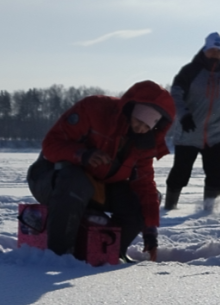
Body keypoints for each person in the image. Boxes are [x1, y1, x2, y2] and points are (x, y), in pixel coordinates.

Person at [27, 80, 175, 261]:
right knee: (76, 181)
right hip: (50, 178)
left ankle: (108, 254)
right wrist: (82, 155)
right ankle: (59, 257)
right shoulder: (94, 108)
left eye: (147, 126)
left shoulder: (144, 142)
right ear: (131, 110)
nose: (140, 128)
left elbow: (145, 184)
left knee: (141, 200)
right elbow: (51, 145)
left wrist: (150, 230)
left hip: (96, 188)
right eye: (138, 121)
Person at [164, 32, 220, 211]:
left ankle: (208, 211)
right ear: (205, 49)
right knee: (180, 174)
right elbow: (176, 94)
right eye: (212, 49)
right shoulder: (190, 71)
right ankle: (169, 208)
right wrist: (184, 115)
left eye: (218, 51)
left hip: (214, 135)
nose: (215, 53)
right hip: (188, 132)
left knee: (218, 174)